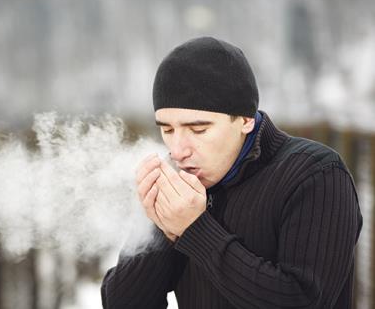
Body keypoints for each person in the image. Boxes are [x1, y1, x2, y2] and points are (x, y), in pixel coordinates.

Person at [101, 36, 363, 309]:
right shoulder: (178, 183)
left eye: (198, 129)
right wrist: (163, 229)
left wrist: (194, 229)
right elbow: (121, 303)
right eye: (167, 129)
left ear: (246, 120)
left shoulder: (316, 175)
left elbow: (303, 301)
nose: (178, 150)